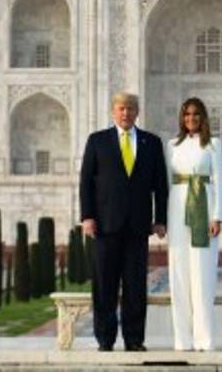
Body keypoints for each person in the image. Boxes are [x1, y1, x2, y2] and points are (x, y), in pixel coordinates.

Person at [79, 92, 168, 352]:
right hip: (105, 225)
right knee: (105, 285)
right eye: (121, 108)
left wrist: (160, 219)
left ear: (137, 111)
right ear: (113, 111)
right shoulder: (98, 141)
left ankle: (134, 340)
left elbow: (160, 186)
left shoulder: (151, 142)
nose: (125, 113)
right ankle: (105, 340)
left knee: (135, 286)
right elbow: (86, 182)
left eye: (130, 108)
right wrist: (87, 216)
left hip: (138, 226)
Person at [165, 97, 222, 351]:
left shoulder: (213, 145)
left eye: (196, 114)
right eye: (187, 114)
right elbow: (167, 183)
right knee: (179, 273)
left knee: (203, 275)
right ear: (182, 117)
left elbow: (219, 181)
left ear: (203, 118)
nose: (191, 118)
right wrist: (162, 218)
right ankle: (183, 339)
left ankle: (204, 339)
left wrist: (217, 216)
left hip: (203, 205)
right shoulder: (172, 145)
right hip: (178, 208)